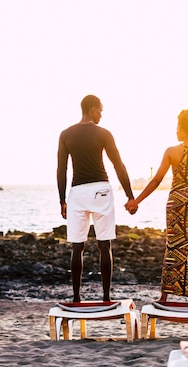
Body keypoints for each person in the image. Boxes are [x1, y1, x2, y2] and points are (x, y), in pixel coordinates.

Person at [125, 109, 188, 303]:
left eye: (178, 127)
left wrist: (136, 201)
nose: (176, 131)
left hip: (177, 204)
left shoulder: (171, 152)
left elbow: (157, 180)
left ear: (183, 128)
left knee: (173, 247)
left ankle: (165, 296)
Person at [57, 95, 135, 303]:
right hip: (101, 189)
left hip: (77, 192)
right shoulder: (103, 134)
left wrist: (61, 200)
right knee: (104, 244)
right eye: (100, 110)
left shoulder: (66, 134)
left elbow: (61, 169)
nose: (101, 114)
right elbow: (119, 165)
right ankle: (107, 298)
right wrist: (130, 195)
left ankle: (76, 298)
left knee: (77, 246)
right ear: (92, 109)